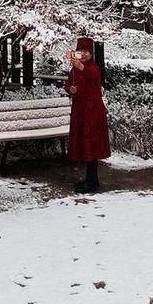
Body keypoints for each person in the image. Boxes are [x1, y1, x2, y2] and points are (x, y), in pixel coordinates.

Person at [64, 37, 111, 194]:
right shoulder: (75, 70)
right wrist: (71, 89)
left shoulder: (93, 68)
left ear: (91, 53)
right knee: (85, 144)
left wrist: (80, 66)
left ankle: (91, 181)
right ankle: (92, 179)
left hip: (92, 112)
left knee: (92, 144)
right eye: (80, 51)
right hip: (80, 111)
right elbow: (68, 83)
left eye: (86, 51)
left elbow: (93, 75)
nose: (83, 54)